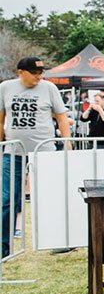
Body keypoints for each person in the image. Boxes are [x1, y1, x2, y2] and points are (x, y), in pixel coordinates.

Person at [0, 57, 71, 257]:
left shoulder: (49, 88)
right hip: (13, 151)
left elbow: (61, 117)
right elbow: (1, 118)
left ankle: (60, 240)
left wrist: (67, 144)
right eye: (34, 72)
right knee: (8, 199)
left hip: (45, 151)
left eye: (41, 72)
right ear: (21, 72)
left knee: (52, 196)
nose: (39, 76)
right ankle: (3, 248)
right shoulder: (5, 88)